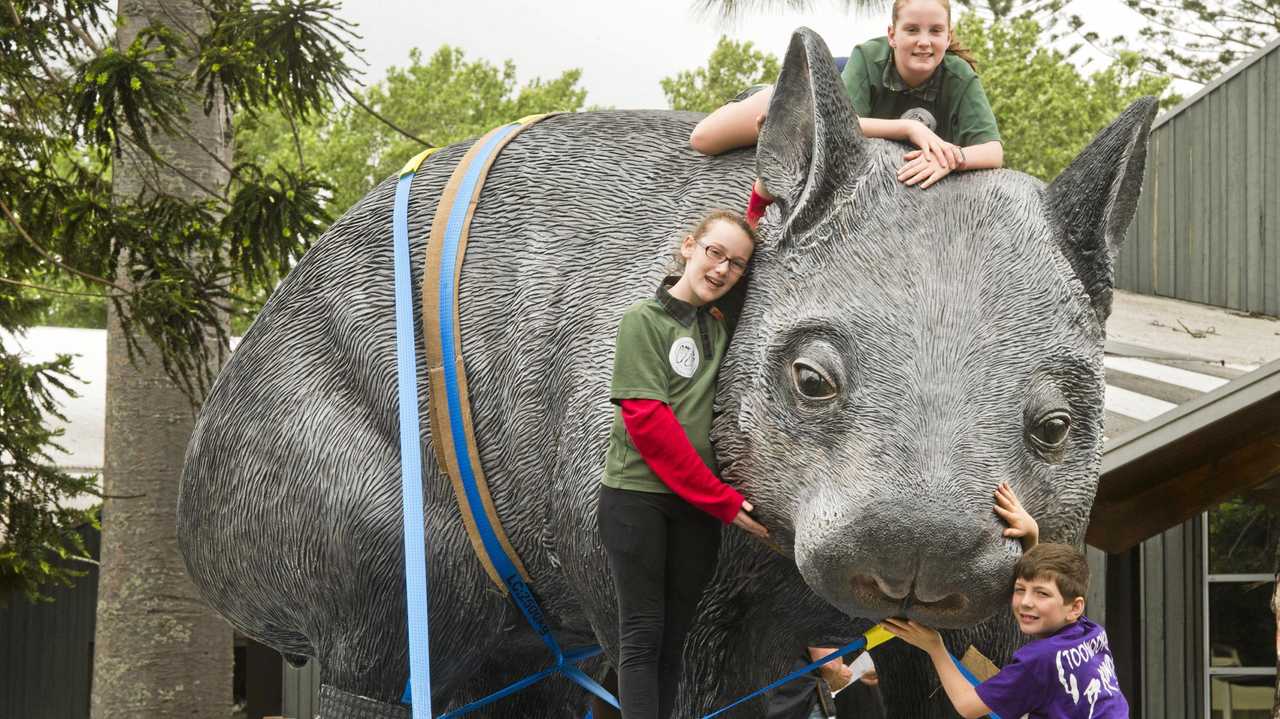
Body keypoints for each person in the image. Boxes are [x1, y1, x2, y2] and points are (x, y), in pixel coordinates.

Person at [598, 209, 770, 719]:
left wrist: (757, 203)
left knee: (675, 641)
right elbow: (649, 427)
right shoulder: (642, 323)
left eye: (736, 264)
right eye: (714, 253)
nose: (721, 269)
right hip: (638, 502)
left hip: (695, 510)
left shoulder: (718, 326)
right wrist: (721, 499)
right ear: (688, 246)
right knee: (642, 635)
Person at [689, 0, 1004, 224]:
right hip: (824, 93)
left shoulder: (960, 76)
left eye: (935, 31)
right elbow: (841, 125)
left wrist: (952, 158)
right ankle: (768, 94)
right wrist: (910, 129)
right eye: (912, 30)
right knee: (704, 139)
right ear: (892, 35)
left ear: (948, 37)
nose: (924, 41)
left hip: (869, 134)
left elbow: (993, 152)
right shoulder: (867, 57)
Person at [883, 489, 1129, 718]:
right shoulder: (1090, 633)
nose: (1025, 603)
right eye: (1020, 590)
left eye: (1041, 594)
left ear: (1075, 607)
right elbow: (1050, 582)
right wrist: (1031, 535)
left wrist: (935, 647)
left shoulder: (1038, 661)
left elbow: (968, 707)